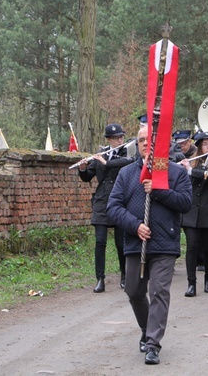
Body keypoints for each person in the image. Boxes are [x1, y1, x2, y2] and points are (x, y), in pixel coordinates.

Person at [107, 124, 192, 365]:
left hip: (164, 242)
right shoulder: (126, 174)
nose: (145, 143)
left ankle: (153, 343)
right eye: (141, 140)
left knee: (159, 291)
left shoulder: (175, 173)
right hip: (136, 242)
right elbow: (113, 207)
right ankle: (147, 329)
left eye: (149, 139)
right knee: (133, 291)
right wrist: (135, 226)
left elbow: (185, 202)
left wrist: (158, 190)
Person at [78, 123, 134, 293]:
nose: (120, 140)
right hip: (102, 202)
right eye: (117, 138)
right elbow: (88, 177)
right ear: (109, 139)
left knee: (120, 244)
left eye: (122, 137)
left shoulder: (127, 152)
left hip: (120, 202)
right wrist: (83, 169)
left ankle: (124, 276)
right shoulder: (101, 154)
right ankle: (100, 279)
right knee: (100, 242)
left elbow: (127, 163)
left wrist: (106, 161)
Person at [180, 131, 208, 297]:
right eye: (205, 144)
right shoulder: (191, 161)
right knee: (192, 246)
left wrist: (191, 171)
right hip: (191, 211)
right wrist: (183, 169)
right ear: (199, 146)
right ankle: (191, 283)